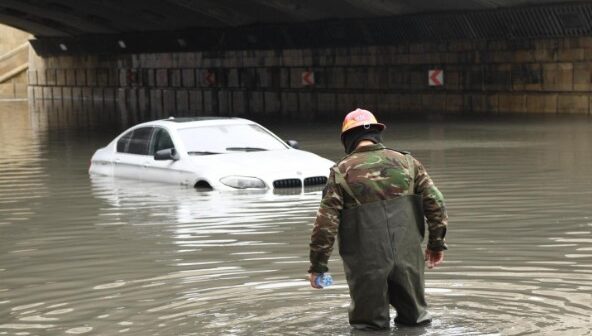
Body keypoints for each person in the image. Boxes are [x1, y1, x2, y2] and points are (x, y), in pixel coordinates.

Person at [307, 108, 448, 330]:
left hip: (366, 264)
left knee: (369, 327)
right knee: (416, 322)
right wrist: (436, 243)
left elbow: (325, 225)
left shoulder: (341, 173)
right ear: (377, 134)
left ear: (347, 139)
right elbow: (436, 203)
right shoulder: (409, 164)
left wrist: (318, 265)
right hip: (408, 257)